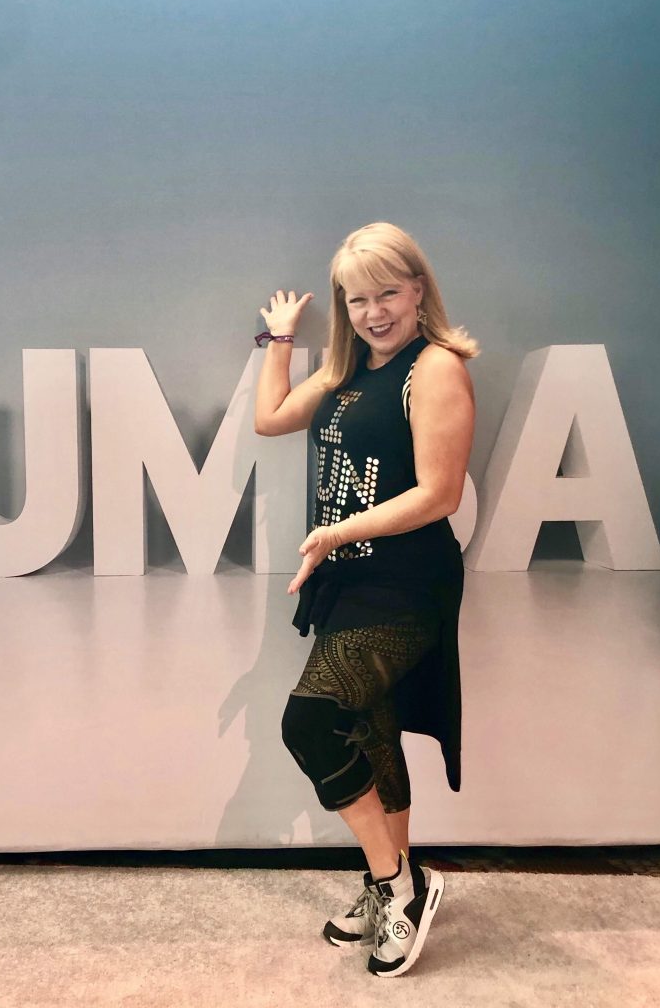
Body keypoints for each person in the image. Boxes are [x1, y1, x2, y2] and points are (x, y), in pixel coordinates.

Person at [253, 222, 478, 977]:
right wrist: (280, 338)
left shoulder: (435, 367)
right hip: (350, 580)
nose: (374, 313)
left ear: (418, 290)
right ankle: (391, 882)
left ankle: (398, 886)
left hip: (406, 583)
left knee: (310, 722)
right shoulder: (347, 370)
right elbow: (270, 418)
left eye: (387, 294)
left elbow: (439, 493)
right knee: (371, 733)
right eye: (357, 300)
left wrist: (336, 530)